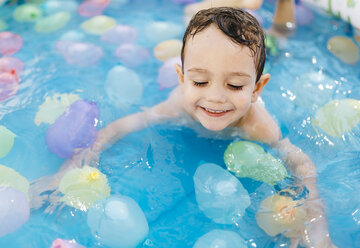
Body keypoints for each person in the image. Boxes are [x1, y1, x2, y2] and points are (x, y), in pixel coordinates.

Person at [30, 6, 337, 248]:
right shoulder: (179, 104)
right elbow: (123, 126)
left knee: (281, 36)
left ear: (257, 89)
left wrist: (314, 224)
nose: (215, 97)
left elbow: (301, 163)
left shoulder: (258, 125)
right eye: (200, 81)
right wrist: (73, 166)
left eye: (234, 85)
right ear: (181, 78)